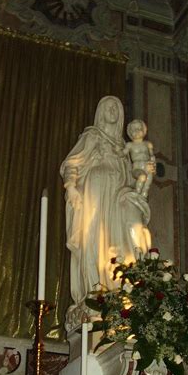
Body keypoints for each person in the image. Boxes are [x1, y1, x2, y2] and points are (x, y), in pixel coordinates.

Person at [60, 96, 152, 328]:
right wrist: (71, 187)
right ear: (100, 111)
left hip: (117, 197)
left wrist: (143, 172)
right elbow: (72, 163)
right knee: (93, 238)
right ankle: (94, 291)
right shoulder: (91, 136)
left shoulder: (124, 146)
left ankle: (118, 288)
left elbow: (133, 175)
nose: (112, 109)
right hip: (95, 193)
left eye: (117, 107)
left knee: (119, 241)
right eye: (108, 106)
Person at [124, 119, 156, 198]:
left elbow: (152, 156)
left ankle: (144, 194)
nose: (137, 131)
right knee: (142, 177)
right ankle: (137, 193)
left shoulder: (147, 144)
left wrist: (153, 165)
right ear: (130, 133)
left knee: (148, 180)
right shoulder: (129, 145)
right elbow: (123, 154)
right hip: (137, 167)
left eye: (139, 128)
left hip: (147, 166)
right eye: (134, 129)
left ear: (144, 130)